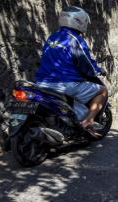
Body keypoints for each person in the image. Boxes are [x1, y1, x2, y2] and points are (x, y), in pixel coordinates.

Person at [35, 6, 108, 135]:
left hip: (42, 83)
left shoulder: (52, 38)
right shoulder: (74, 40)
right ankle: (89, 122)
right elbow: (86, 64)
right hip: (65, 83)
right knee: (102, 91)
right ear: (80, 21)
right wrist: (97, 70)